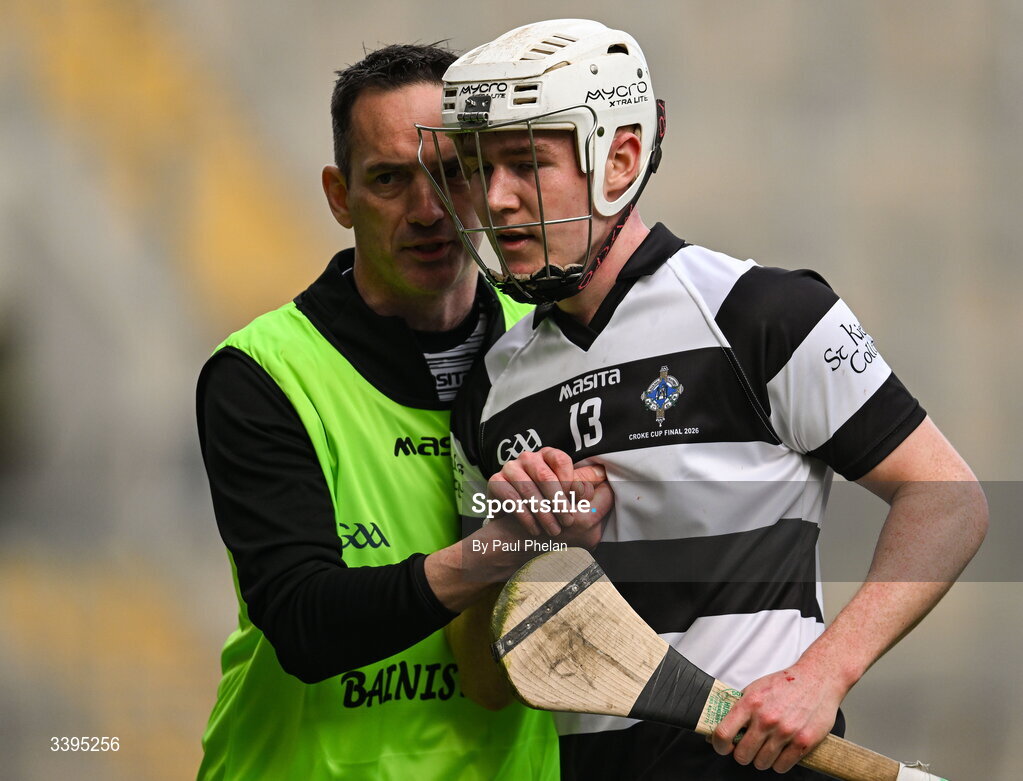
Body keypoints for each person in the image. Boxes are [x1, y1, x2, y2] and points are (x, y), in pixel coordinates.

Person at [421, 19, 988, 780]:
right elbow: (486, 684)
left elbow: (949, 499)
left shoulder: (761, 314)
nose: (496, 199)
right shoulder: (490, 389)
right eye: (475, 168)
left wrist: (822, 674)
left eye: (526, 163)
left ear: (617, 158)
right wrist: (511, 540)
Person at [195, 43, 607, 780]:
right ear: (339, 195)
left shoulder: (552, 339)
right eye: (389, 179)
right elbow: (304, 622)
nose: (427, 211)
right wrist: (497, 545)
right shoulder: (262, 372)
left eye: (452, 173)